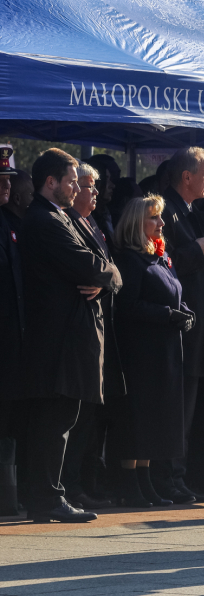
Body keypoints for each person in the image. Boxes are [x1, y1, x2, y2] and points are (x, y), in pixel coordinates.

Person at [18, 148, 122, 522]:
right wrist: (104, 274)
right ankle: (46, 497)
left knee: (62, 418)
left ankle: (47, 496)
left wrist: (105, 276)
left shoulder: (64, 218)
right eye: (71, 180)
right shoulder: (45, 221)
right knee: (53, 420)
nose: (77, 187)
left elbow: (110, 268)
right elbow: (92, 266)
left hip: (68, 338)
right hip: (57, 340)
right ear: (51, 182)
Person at [108, 196, 193, 508]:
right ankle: (130, 485)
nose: (161, 224)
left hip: (165, 348)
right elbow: (127, 306)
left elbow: (174, 291)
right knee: (137, 419)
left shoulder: (159, 255)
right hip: (140, 351)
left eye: (160, 218)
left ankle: (145, 481)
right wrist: (167, 315)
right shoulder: (129, 259)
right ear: (136, 224)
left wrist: (184, 311)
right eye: (154, 219)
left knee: (155, 419)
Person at [161, 147, 204, 503]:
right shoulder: (165, 210)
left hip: (196, 327)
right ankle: (169, 476)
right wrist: (197, 249)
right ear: (187, 176)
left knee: (191, 410)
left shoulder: (191, 211)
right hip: (177, 327)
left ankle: (182, 474)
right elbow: (161, 261)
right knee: (177, 408)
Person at [63, 163, 125, 509]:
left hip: (102, 330)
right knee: (78, 417)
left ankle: (85, 481)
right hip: (79, 334)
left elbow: (114, 275)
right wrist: (108, 279)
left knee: (92, 419)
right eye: (87, 186)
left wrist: (106, 282)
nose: (94, 193)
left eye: (94, 187)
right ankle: (71, 486)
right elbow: (90, 273)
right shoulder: (68, 223)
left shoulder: (95, 224)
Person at [0, 146, 24, 513]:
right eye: (0, 179)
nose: (6, 184)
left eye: (8, 178)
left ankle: (6, 499)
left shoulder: (8, 221)